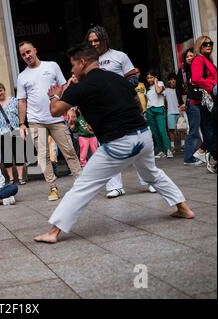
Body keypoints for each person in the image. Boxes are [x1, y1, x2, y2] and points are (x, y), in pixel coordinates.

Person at [34, 45, 195, 244]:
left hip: (119, 143)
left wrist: (55, 95)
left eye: (73, 65)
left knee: (83, 186)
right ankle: (183, 208)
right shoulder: (118, 79)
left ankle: (53, 232)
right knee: (151, 173)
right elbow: (119, 102)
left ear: (82, 62)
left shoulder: (81, 87)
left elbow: (55, 111)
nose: (72, 70)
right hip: (143, 136)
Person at [86, 26, 155, 198]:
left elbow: (132, 78)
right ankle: (115, 186)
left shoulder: (119, 56)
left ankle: (148, 182)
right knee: (108, 147)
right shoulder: (87, 61)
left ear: (104, 39)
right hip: (103, 112)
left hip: (124, 107)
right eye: (91, 41)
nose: (94, 44)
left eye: (96, 40)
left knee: (137, 144)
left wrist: (119, 89)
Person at [17, 41, 81, 201]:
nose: (27, 56)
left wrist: (70, 108)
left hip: (57, 117)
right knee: (43, 156)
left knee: (69, 151)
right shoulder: (22, 76)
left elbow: (64, 86)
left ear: (35, 50)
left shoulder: (52, 66)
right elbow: (22, 101)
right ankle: (53, 188)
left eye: (28, 52)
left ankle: (81, 184)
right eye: (23, 54)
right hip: (35, 121)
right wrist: (21, 123)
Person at [0, 82, 26, 185]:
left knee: (19, 154)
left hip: (15, 130)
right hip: (1, 133)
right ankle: (11, 178)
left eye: (1, 90)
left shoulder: (14, 101)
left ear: (4, 90)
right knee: (7, 157)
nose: (0, 93)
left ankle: (20, 177)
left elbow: (21, 113)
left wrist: (21, 126)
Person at [191, 36, 217, 173]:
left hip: (211, 98)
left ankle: (205, 151)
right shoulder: (198, 59)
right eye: (205, 44)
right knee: (210, 128)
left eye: (210, 43)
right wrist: (212, 86)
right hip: (207, 99)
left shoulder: (207, 60)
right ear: (199, 46)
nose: (209, 46)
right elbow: (196, 78)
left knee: (211, 127)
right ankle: (208, 152)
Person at [145, 71, 171, 158]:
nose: (149, 79)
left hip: (159, 109)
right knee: (154, 132)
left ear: (155, 77)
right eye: (148, 78)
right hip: (149, 110)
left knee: (162, 130)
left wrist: (156, 82)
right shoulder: (148, 88)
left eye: (151, 77)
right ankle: (161, 151)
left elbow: (158, 91)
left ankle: (168, 150)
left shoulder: (160, 83)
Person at [165, 73, 185, 153]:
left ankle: (183, 144)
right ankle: (172, 146)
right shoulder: (166, 90)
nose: (173, 81)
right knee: (171, 130)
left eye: (174, 79)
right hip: (170, 112)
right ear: (169, 81)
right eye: (171, 79)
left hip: (180, 112)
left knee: (182, 128)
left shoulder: (180, 90)